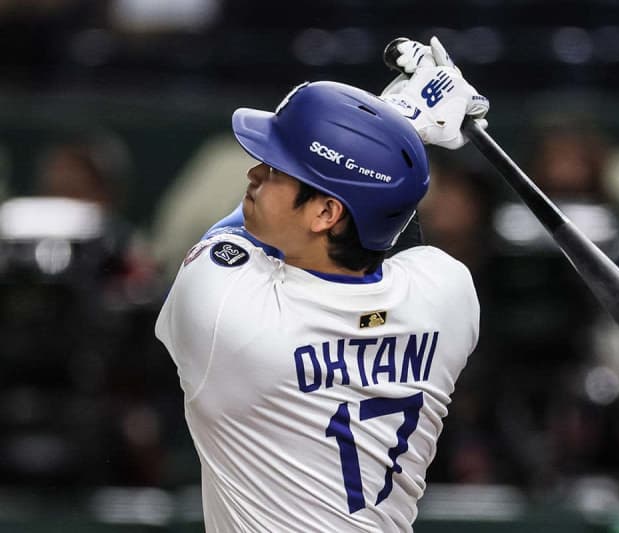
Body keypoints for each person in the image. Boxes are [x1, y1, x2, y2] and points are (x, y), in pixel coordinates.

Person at [155, 37, 489, 532]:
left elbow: (232, 233)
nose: (254, 173)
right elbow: (391, 219)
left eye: (276, 170)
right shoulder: (448, 292)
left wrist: (400, 121)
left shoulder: (229, 314)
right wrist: (392, 137)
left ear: (327, 213)